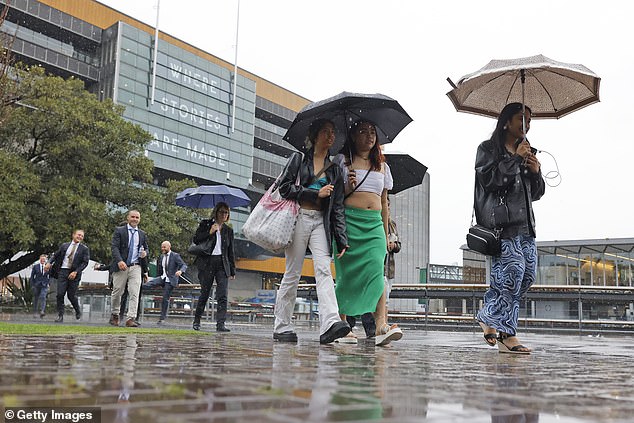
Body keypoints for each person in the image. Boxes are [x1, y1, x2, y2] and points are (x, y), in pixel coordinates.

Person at [474, 102, 545, 354]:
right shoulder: (488, 150)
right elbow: (490, 181)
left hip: (526, 226)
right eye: (520, 118)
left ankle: (487, 314)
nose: (526, 124)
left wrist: (535, 172)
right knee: (513, 275)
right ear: (506, 122)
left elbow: (536, 194)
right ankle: (507, 334)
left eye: (528, 119)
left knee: (526, 277)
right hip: (501, 226)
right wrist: (514, 159)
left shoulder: (528, 151)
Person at [273, 118, 351, 344]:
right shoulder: (298, 159)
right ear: (315, 136)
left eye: (333, 133)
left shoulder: (335, 169)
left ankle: (330, 323)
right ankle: (282, 325)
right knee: (292, 273)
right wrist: (313, 193)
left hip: (320, 223)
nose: (331, 136)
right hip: (298, 219)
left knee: (324, 271)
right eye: (326, 131)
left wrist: (341, 237)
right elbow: (285, 188)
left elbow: (337, 207)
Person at [333, 120, 403, 347]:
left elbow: (384, 203)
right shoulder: (342, 161)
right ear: (353, 136)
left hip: (373, 226)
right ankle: (342, 326)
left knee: (376, 273)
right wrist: (347, 188)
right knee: (347, 276)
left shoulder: (382, 165)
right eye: (363, 131)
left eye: (372, 132)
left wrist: (385, 235)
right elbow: (334, 201)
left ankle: (382, 325)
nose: (369, 136)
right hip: (349, 224)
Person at [192, 202, 236, 332]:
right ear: (216, 212)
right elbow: (196, 239)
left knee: (222, 295)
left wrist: (232, 270)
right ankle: (197, 320)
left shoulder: (228, 231)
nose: (224, 215)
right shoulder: (206, 224)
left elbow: (231, 251)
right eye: (221, 212)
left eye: (226, 212)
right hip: (207, 262)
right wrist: (210, 232)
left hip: (222, 264)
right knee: (204, 292)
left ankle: (220, 324)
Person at [109, 210, 148, 328]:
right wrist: (119, 260)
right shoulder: (119, 231)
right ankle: (115, 314)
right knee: (117, 291)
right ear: (128, 218)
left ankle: (131, 318)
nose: (135, 219)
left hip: (136, 266)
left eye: (137, 217)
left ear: (139, 219)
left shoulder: (142, 234)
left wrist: (145, 253)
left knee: (134, 292)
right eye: (133, 217)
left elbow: (146, 248)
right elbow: (114, 247)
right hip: (121, 266)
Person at [46, 229, 90, 323]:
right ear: (73, 235)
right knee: (60, 294)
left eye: (82, 236)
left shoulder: (84, 249)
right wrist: (49, 262)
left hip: (75, 273)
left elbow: (85, 262)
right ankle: (60, 315)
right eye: (78, 235)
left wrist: (76, 272)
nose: (80, 237)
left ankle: (77, 310)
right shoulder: (64, 246)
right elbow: (55, 255)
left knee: (71, 295)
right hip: (63, 271)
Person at [144, 240, 187, 324]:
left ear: (169, 247)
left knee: (165, 297)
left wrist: (180, 271)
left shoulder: (175, 256)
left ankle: (162, 318)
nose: (162, 248)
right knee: (148, 285)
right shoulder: (161, 257)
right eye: (162, 247)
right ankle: (138, 290)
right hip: (162, 277)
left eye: (164, 247)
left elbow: (184, 265)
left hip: (170, 279)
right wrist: (158, 280)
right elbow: (159, 269)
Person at [30, 254, 50, 318]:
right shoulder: (36, 266)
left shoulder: (48, 267)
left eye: (44, 259)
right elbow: (32, 276)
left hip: (44, 284)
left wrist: (49, 283)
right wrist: (32, 285)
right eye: (41, 259)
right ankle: (35, 312)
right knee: (36, 298)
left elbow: (50, 276)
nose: (42, 260)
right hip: (37, 284)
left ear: (45, 260)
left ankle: (42, 311)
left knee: (43, 296)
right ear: (40, 259)